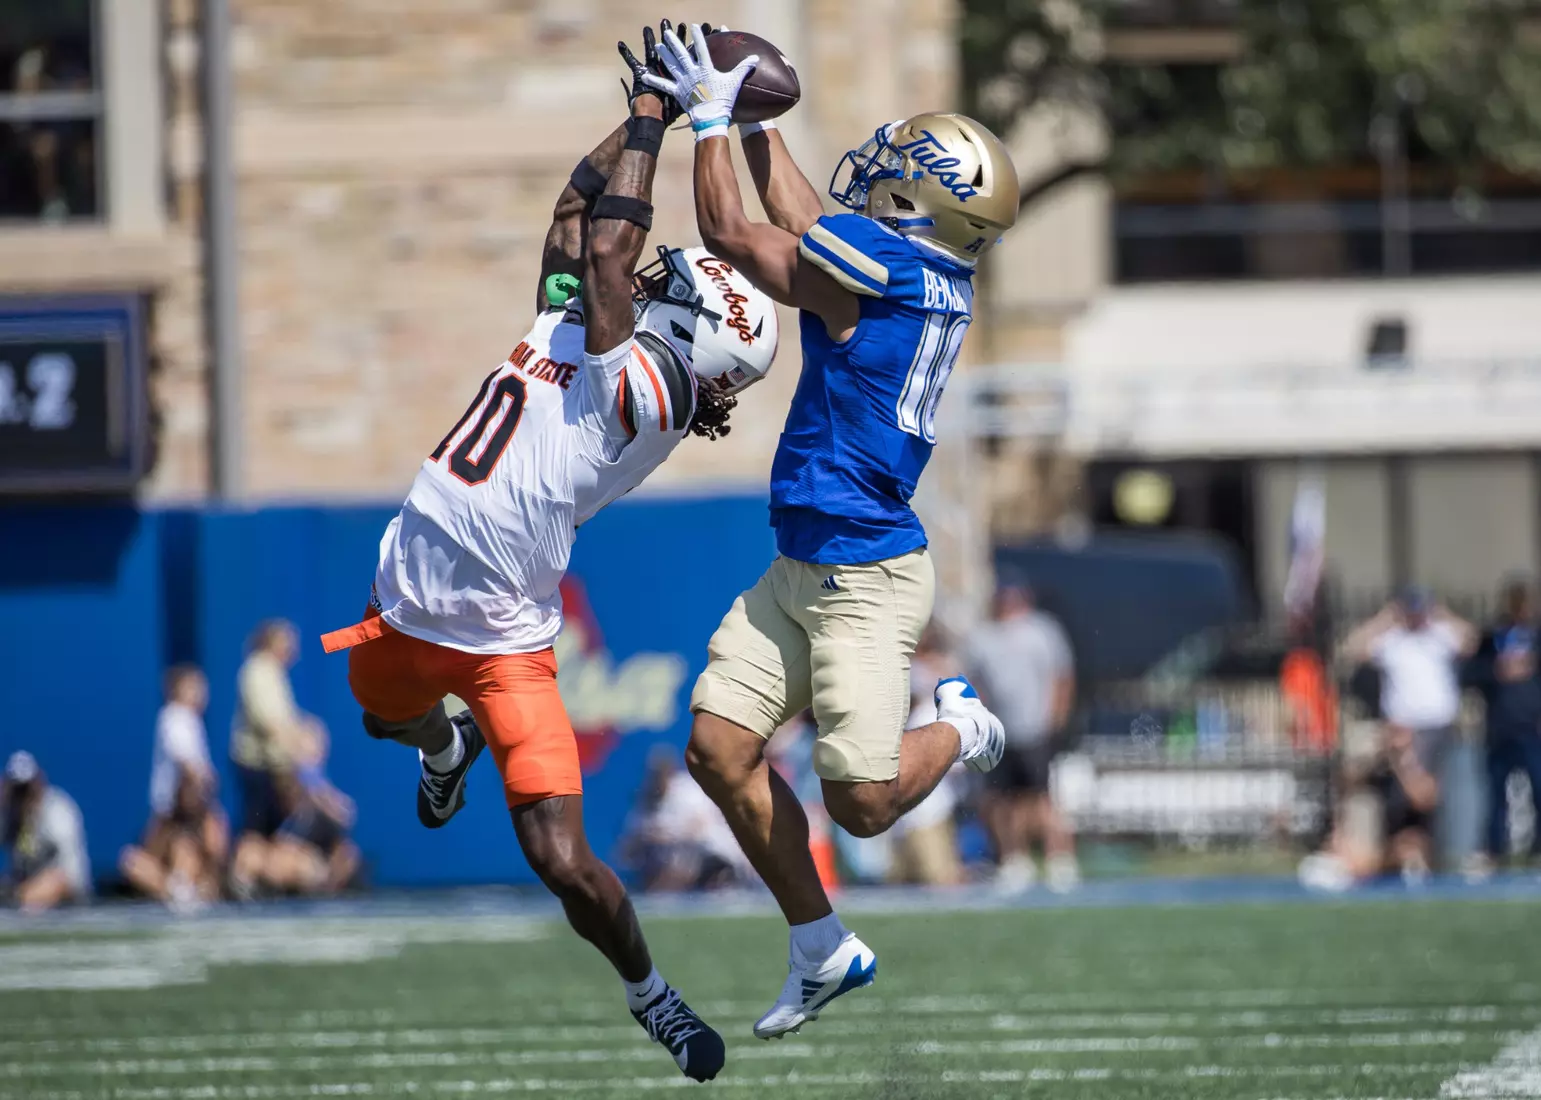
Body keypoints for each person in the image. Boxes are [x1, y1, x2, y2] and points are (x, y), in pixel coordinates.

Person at [319, 24, 776, 1083]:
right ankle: (445, 747)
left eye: (682, 283)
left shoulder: (647, 396)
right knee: (382, 713)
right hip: (406, 590)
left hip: (504, 640)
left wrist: (663, 114)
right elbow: (579, 215)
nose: (661, 273)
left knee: (563, 861)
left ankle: (649, 991)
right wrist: (637, 111)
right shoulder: (575, 323)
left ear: (691, 335)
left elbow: (612, 248)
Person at [639, 26, 1019, 1038]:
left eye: (898, 173)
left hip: (864, 575)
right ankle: (820, 944)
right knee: (717, 750)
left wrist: (714, 117)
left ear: (925, 199)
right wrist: (758, 124)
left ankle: (962, 723)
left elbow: (731, 232)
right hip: (801, 558)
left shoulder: (885, 279)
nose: (874, 177)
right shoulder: (908, 269)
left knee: (861, 801)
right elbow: (804, 218)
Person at [1344, 586, 1478, 862]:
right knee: (1407, 795)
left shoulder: (1440, 635)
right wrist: (1384, 618)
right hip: (1404, 731)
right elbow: (1354, 648)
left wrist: (1442, 613)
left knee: (1439, 794)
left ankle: (1443, 852)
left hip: (1440, 728)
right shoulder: (1393, 640)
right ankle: (1403, 855)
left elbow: (1471, 640)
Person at [962, 580, 1079, 893]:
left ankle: (1060, 858)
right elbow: (976, 682)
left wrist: (1056, 720)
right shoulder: (983, 638)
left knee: (1042, 797)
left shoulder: (1042, 630)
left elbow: (1061, 677)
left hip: (1036, 727)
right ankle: (1015, 860)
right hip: (1001, 731)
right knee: (1001, 800)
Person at [120, 665, 228, 911]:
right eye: (196, 686)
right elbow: (186, 761)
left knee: (194, 858)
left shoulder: (189, 719)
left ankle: (184, 890)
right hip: (174, 811)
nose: (203, 692)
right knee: (150, 858)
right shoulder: (175, 716)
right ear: (179, 689)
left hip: (185, 808)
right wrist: (205, 789)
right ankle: (178, 891)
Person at [1298, 723, 1439, 890]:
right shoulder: (1359, 797)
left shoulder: (1406, 767)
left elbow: (1424, 798)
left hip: (1401, 842)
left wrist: (1398, 759)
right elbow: (1349, 778)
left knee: (1412, 848)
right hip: (1370, 849)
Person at [230, 619, 312, 898]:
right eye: (287, 641)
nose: (292, 649)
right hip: (256, 764)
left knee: (269, 832)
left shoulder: (274, 672)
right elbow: (268, 720)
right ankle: (240, 880)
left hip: (272, 766)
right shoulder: (257, 670)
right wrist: (298, 744)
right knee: (254, 830)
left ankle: (257, 880)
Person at [1470, 576, 1541, 872]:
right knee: (1496, 794)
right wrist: (1496, 670)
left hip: (1532, 728)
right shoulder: (1492, 639)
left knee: (1538, 789)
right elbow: (1471, 673)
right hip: (1500, 728)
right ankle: (1494, 850)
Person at [621, 748, 750, 893]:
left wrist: (667, 835)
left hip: (710, 852)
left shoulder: (687, 791)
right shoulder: (647, 799)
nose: (659, 778)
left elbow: (698, 827)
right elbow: (632, 840)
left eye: (662, 773)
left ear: (670, 772)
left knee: (683, 860)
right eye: (655, 774)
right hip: (670, 858)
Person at [263, 725, 361, 896]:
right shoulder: (283, 789)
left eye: (314, 755)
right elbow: (280, 837)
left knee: (348, 855)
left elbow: (346, 815)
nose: (309, 763)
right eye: (304, 754)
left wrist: (322, 796)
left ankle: (325, 892)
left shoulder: (324, 795)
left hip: (319, 858)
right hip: (289, 854)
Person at [1, 752, 90, 912]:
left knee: (50, 883)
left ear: (38, 783)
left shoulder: (58, 812)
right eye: (18, 791)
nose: (23, 797)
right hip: (21, 889)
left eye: (26, 790)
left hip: (64, 895)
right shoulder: (8, 814)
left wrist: (23, 892)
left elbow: (71, 875)